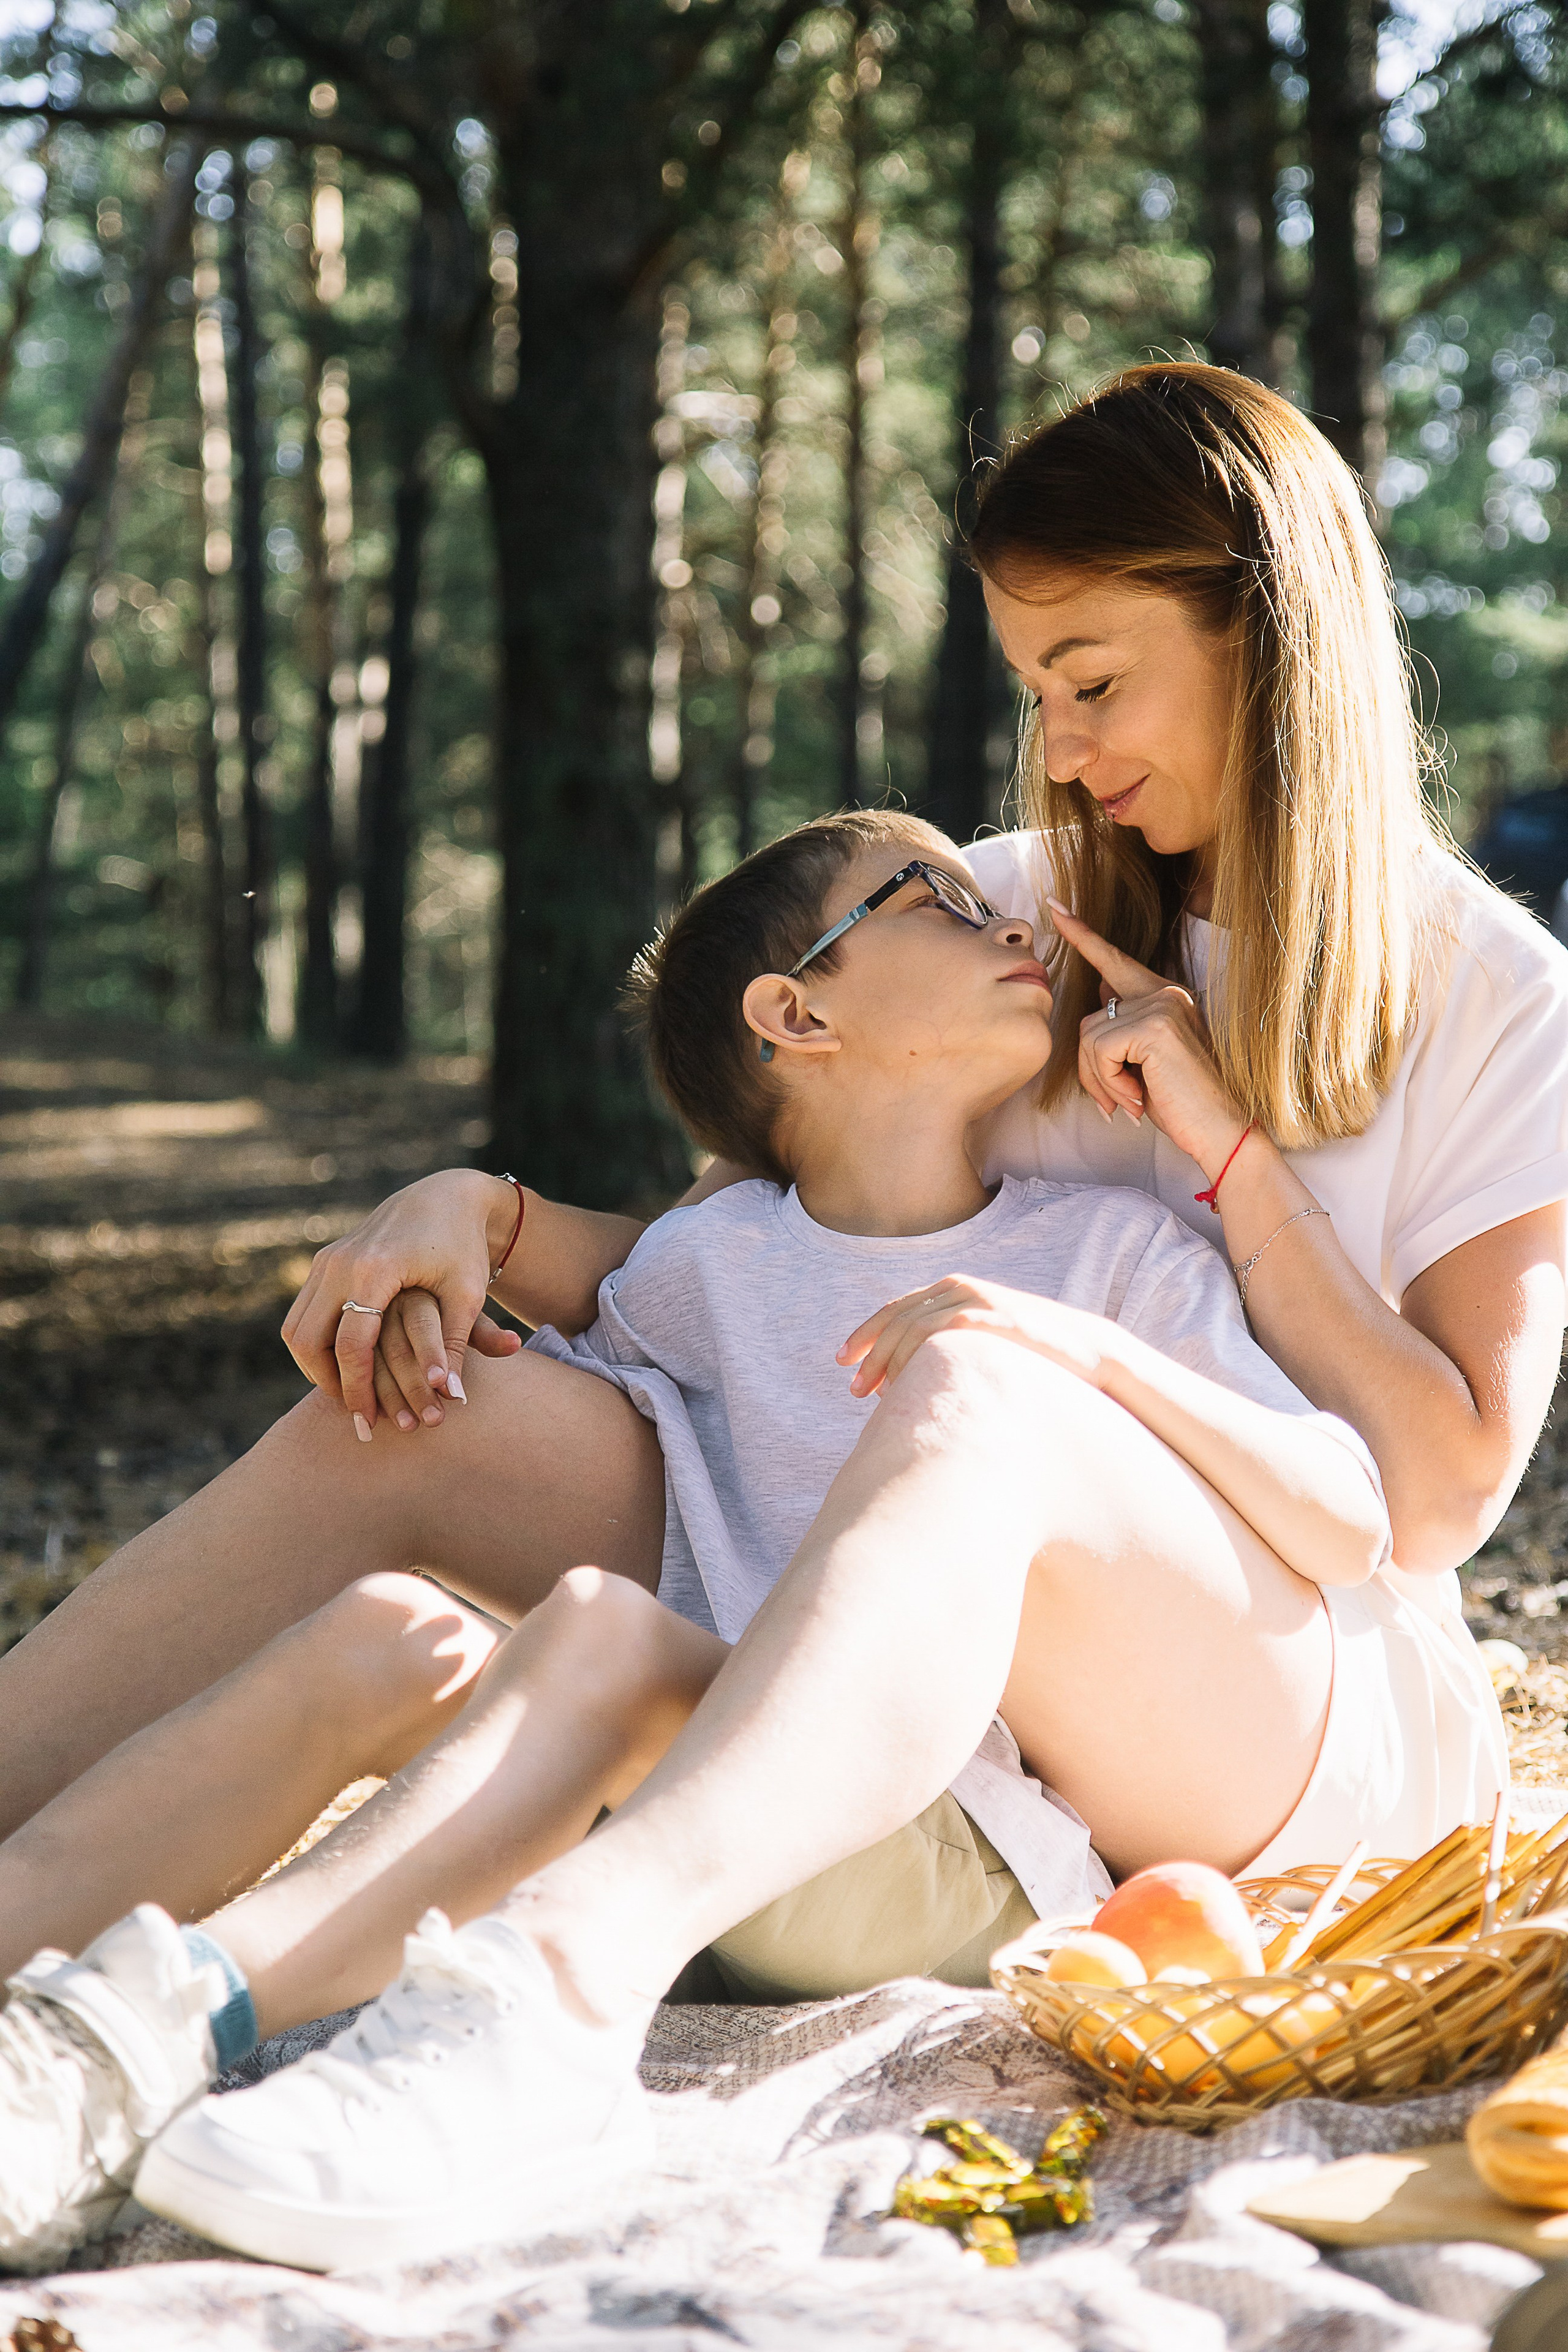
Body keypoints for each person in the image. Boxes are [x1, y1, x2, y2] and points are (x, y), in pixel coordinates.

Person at [1, 809, 1400, 2274]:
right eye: (933, 896)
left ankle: (220, 2014)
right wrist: (450, 1236)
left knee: (672, 1588)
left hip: (929, 1848)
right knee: (404, 1635)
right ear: (794, 1014)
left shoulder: (1105, 1258)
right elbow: (554, 1375)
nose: (1012, 925)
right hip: (683, 1786)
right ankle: (76, 2046)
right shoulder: (699, 1271)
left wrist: (1075, 1357)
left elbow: (1350, 1513)